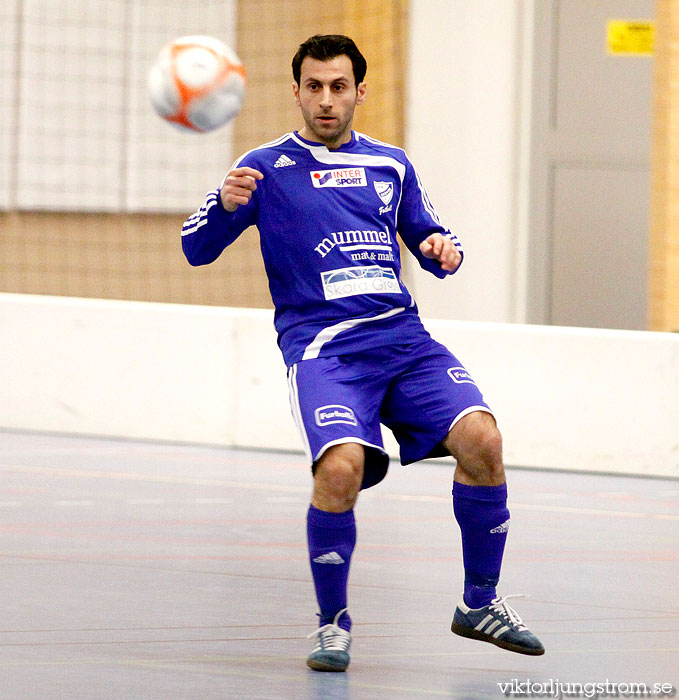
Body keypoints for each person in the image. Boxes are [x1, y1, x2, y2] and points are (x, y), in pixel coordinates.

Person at [181, 34, 544, 671]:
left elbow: (431, 231)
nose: (326, 100)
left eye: (338, 87)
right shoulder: (264, 168)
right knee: (341, 468)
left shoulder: (391, 164)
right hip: (326, 353)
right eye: (314, 87)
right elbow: (196, 249)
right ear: (295, 92)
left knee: (483, 440)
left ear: (359, 92)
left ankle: (478, 602)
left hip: (405, 344)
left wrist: (443, 250)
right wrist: (221, 206)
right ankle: (333, 624)